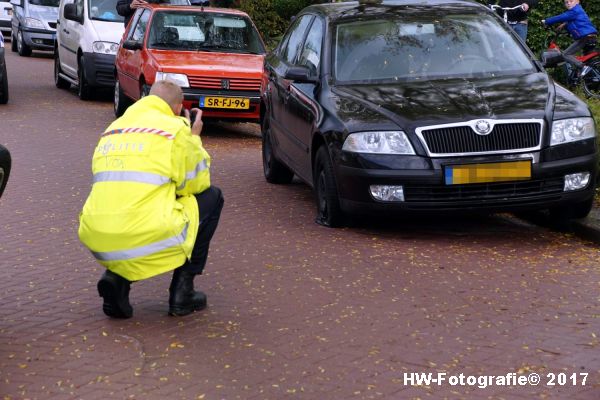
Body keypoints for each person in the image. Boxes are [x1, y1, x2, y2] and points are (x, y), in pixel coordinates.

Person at [78, 80, 224, 318]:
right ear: (178, 109)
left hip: (95, 233)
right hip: (141, 234)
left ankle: (116, 279)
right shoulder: (174, 131)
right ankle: (182, 294)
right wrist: (193, 138)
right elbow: (197, 183)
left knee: (133, 207)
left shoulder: (114, 128)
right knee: (212, 198)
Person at [542, 0, 598, 70]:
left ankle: (584, 68)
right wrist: (563, 25)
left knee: (566, 54)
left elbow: (561, 17)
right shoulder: (577, 11)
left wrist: (546, 21)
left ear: (577, 2)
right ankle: (583, 73)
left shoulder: (574, 11)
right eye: (566, 2)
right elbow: (574, 22)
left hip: (585, 37)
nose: (568, 3)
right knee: (584, 59)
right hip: (589, 37)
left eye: (571, 1)